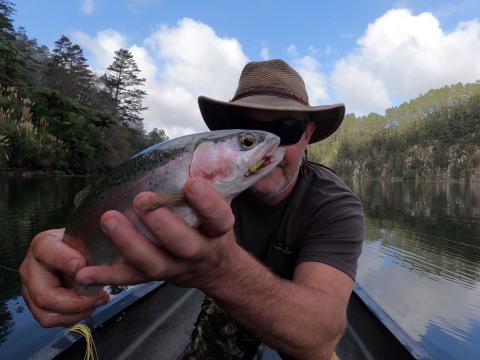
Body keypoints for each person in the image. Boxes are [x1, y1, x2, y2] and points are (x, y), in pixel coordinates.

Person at [20, 59, 364, 360]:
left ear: (308, 135)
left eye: (286, 130)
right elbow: (124, 210)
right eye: (248, 136)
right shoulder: (195, 182)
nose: (268, 144)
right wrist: (63, 249)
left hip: (296, 318)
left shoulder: (334, 205)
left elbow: (321, 336)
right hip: (228, 303)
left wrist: (219, 269)